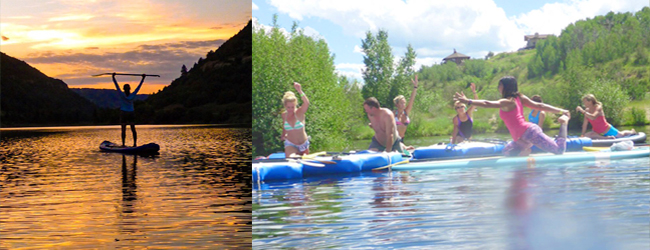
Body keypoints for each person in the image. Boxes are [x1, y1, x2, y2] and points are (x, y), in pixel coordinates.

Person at [453, 76, 570, 156]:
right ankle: (528, 166)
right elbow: (539, 106)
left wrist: (560, 112)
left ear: (505, 87)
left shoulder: (509, 101)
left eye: (500, 85)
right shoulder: (517, 98)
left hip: (529, 132)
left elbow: (487, 104)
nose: (498, 88)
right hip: (520, 138)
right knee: (507, 153)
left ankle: (563, 123)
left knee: (559, 150)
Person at [112, 72, 145, 147]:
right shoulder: (132, 95)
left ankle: (123, 144)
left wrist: (113, 77)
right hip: (131, 112)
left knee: (123, 129)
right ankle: (134, 144)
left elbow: (116, 86)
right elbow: (138, 87)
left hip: (124, 112)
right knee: (133, 128)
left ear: (124, 89)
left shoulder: (122, 94)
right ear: (129, 89)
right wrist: (143, 78)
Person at [281, 82, 310, 158]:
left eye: (292, 107)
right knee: (291, 158)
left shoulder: (299, 112)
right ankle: (295, 156)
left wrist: (299, 91)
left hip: (303, 144)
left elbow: (306, 103)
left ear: (295, 105)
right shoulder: (284, 115)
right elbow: (284, 126)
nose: (290, 109)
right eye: (288, 107)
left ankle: (300, 155)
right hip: (291, 143)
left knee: (304, 160)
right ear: (285, 106)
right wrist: (283, 135)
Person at [393, 75, 419, 142]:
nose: (403, 105)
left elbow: (412, 99)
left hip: (402, 140)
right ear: (397, 104)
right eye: (401, 103)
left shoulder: (406, 112)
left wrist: (415, 87)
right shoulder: (393, 113)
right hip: (393, 140)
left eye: (404, 103)